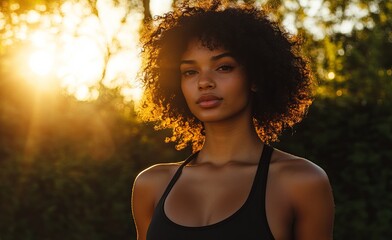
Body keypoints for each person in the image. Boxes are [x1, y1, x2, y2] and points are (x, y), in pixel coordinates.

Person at [132, 1, 335, 239]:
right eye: (190, 71)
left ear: (256, 77)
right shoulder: (151, 185)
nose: (204, 82)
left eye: (223, 67)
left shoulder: (301, 182)